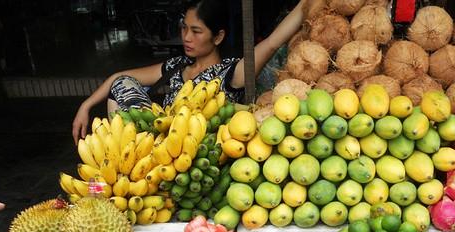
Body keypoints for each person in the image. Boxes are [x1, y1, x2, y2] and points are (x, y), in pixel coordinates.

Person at [72, 0, 305, 144]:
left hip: (199, 155)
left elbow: (273, 42)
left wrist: (306, 5)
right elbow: (119, 79)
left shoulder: (232, 72)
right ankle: (123, 159)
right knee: (121, 85)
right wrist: (86, 106)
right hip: (156, 145)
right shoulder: (177, 66)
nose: (186, 37)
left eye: (196, 31)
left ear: (219, 37)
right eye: (184, 28)